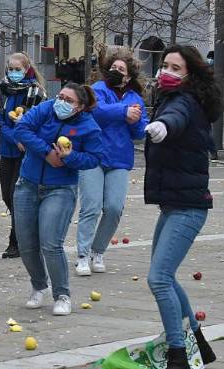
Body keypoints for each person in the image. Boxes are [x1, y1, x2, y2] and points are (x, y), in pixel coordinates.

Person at [140, 45, 223, 369]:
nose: (167, 71)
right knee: (166, 276)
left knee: (158, 279)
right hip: (176, 204)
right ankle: (198, 345)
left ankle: (179, 362)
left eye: (176, 66)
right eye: (165, 65)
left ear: (189, 74)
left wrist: (160, 126)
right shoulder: (171, 97)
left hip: (188, 207)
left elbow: (175, 121)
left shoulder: (183, 102)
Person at [13, 83, 104, 316]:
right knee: (26, 243)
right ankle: (38, 285)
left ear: (80, 107)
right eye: (60, 96)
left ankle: (62, 294)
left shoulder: (88, 127)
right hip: (28, 183)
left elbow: (94, 158)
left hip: (60, 189)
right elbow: (22, 129)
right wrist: (47, 152)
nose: (61, 102)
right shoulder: (45, 109)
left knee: (51, 243)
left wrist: (70, 157)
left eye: (69, 100)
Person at [75, 52, 148, 276]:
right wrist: (123, 112)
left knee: (114, 208)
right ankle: (82, 255)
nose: (116, 72)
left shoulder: (135, 99)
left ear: (128, 77)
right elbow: (96, 111)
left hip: (119, 158)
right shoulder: (97, 89)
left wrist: (134, 120)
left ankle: (98, 251)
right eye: (113, 68)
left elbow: (138, 131)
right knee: (91, 206)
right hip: (93, 156)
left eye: (121, 70)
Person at [0, 52, 47, 259]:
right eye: (11, 69)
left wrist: (25, 137)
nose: (14, 73)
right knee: (7, 195)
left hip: (27, 153)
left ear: (26, 69)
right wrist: (16, 137)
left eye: (17, 69)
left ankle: (16, 243)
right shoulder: (1, 91)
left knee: (17, 196)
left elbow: (40, 120)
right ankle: (28, 230)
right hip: (8, 149)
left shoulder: (36, 92)